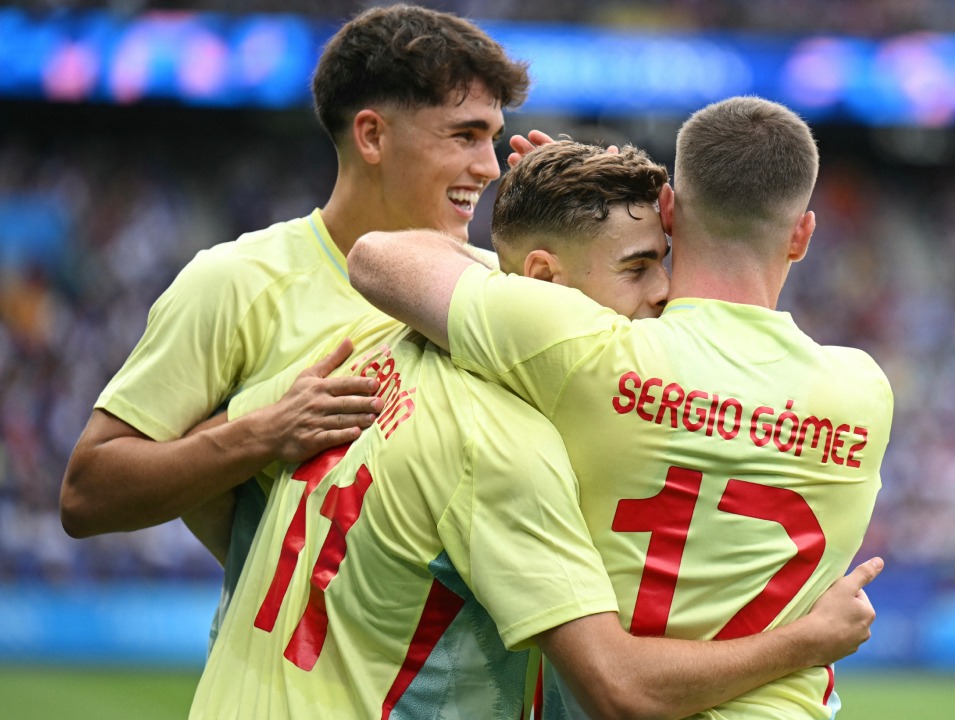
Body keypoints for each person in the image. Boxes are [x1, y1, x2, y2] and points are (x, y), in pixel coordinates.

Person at [190, 141, 881, 719]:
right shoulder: (512, 446)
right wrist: (807, 640)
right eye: (638, 266)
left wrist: (538, 247)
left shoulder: (363, 351)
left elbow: (200, 480)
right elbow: (617, 686)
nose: (664, 290)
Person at [60, 3, 526, 628]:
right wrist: (261, 434)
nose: (490, 167)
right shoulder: (237, 282)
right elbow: (88, 493)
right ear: (372, 136)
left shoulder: (501, 288)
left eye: (493, 138)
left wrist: (566, 255)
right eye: (464, 135)